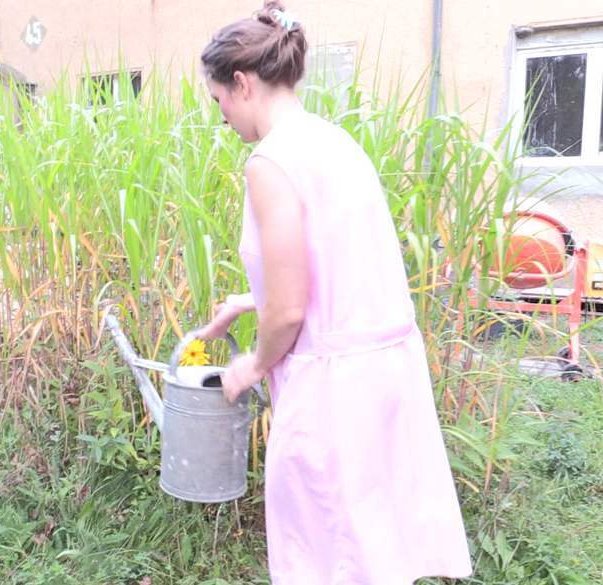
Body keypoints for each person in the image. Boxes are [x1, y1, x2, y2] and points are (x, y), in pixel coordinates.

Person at [196, 2, 473, 583]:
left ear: (242, 84)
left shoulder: (270, 161)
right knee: (376, 550)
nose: (223, 118)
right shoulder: (334, 142)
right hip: (387, 376)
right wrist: (248, 301)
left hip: (334, 393)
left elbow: (290, 310)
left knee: (326, 556)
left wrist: (250, 365)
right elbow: (344, 268)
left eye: (219, 101)